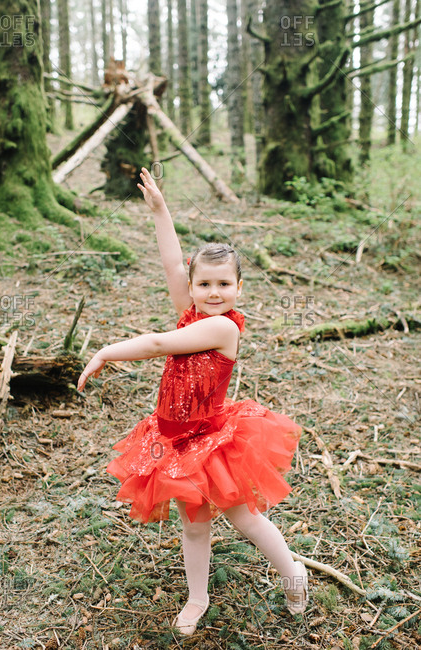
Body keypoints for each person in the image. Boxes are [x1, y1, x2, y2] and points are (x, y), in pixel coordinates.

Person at [77, 167, 308, 635]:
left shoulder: (223, 327)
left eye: (224, 285)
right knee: (195, 524)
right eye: (204, 284)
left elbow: (160, 345)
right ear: (195, 286)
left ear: (238, 289)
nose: (213, 293)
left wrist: (106, 352)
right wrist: (161, 210)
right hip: (173, 439)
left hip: (212, 438)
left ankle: (293, 572)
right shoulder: (192, 310)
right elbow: (171, 264)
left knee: (244, 517)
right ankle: (197, 597)